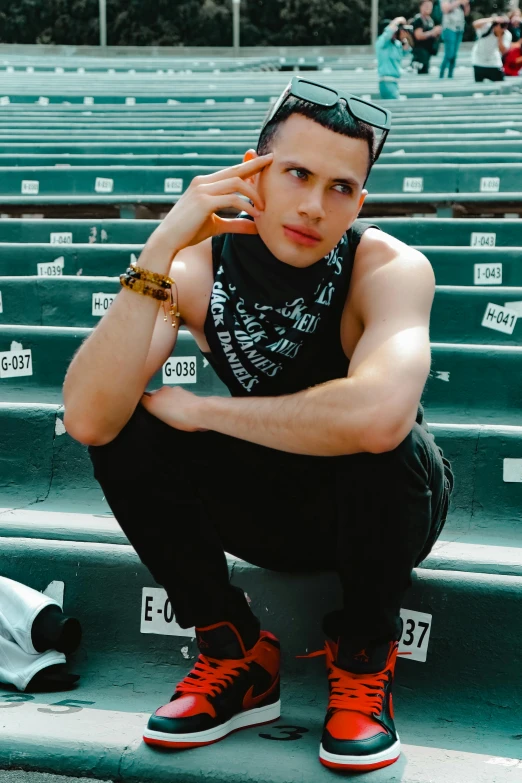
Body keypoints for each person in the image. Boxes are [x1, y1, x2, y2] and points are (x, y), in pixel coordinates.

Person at [63, 76, 454, 773]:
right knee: (127, 424)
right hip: (267, 501)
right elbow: (89, 416)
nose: (313, 204)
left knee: (388, 437)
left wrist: (205, 410)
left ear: (359, 200)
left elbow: (376, 417)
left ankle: (365, 657)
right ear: (255, 173)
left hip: (380, 510)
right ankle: (237, 653)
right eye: (297, 173)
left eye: (340, 187)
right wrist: (161, 244)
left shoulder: (389, 267)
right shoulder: (196, 266)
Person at [376, 16, 413, 99]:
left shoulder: (396, 44)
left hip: (395, 82)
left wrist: (404, 37)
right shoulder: (381, 43)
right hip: (386, 81)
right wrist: (397, 21)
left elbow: (407, 50)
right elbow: (387, 33)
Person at [472, 15, 512, 81]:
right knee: (478, 84)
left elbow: (503, 51)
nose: (500, 26)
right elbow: (475, 24)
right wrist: (493, 19)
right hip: (478, 62)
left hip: (494, 63)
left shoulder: (507, 35)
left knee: (500, 82)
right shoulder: (486, 28)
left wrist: (499, 36)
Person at [439, 0, 470, 78]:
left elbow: (466, 13)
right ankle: (441, 74)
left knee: (454, 55)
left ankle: (450, 75)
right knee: (449, 54)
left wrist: (466, 4)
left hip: (459, 28)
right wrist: (459, 1)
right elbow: (445, 9)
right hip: (449, 28)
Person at [411, 0, 443, 74]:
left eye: (430, 7)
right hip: (420, 52)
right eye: (426, 6)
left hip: (428, 53)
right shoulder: (419, 20)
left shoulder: (430, 20)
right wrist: (432, 32)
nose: (428, 8)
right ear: (421, 7)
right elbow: (418, 36)